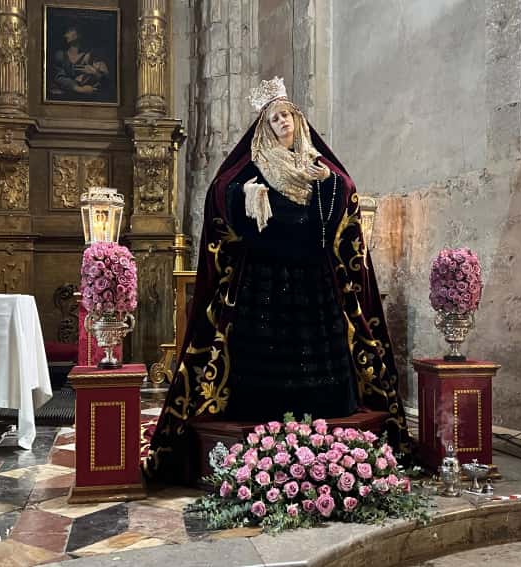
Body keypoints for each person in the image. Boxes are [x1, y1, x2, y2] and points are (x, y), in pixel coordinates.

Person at [147, 77, 407, 482]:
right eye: (274, 119)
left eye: (287, 115)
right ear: (264, 127)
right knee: (263, 357)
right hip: (264, 283)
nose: (283, 122)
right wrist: (245, 195)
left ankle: (323, 408)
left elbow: (345, 190)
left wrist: (329, 186)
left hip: (313, 281)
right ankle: (263, 412)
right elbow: (220, 191)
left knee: (318, 353)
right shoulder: (254, 168)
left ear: (299, 120)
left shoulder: (319, 170)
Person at [49, 26, 111, 98]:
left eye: (69, 31)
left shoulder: (92, 55)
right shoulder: (60, 55)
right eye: (65, 33)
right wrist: (79, 89)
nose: (65, 35)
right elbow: (59, 77)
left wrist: (95, 73)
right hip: (66, 97)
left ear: (79, 34)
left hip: (90, 98)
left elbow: (107, 81)